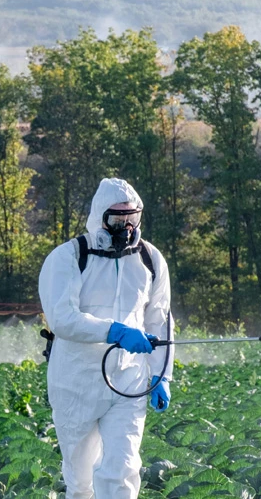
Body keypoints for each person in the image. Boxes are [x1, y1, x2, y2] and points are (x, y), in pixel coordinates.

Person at [38, 178, 174, 499]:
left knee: (122, 470)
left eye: (132, 219)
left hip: (129, 380)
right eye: (117, 219)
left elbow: (160, 319)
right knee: (81, 481)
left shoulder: (150, 260)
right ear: (100, 217)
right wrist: (114, 331)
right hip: (76, 383)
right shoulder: (69, 257)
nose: (126, 227)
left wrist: (161, 375)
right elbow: (62, 319)